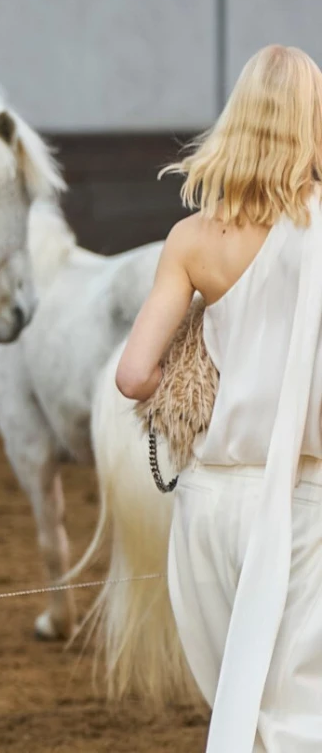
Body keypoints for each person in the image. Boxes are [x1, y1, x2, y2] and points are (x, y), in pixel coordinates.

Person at [115, 44, 322, 753]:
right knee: (300, 716)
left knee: (240, 708)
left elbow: (134, 375)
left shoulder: (193, 240)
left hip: (209, 507)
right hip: (304, 502)